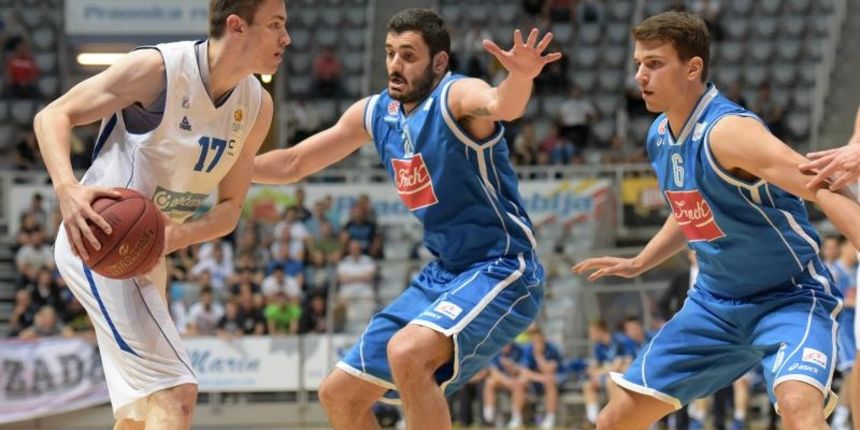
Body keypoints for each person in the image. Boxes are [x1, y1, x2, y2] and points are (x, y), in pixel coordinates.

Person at [254, 9, 555, 430]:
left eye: (408, 55)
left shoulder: (455, 97)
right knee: (339, 394)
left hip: (502, 267)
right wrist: (224, 169)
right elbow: (293, 162)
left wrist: (520, 76)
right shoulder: (376, 112)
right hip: (444, 274)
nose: (395, 65)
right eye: (390, 53)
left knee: (408, 353)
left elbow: (501, 104)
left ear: (438, 63)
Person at [573, 11, 860, 430]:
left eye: (654, 63)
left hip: (789, 297)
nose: (640, 75)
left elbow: (821, 185)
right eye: (638, 63)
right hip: (714, 305)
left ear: (693, 68)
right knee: (614, 420)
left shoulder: (728, 132)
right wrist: (641, 260)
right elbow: (688, 208)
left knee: (801, 410)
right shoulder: (659, 135)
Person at [33, 0, 286, 427]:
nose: (286, 38)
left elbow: (228, 212)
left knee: (140, 412)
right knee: (176, 391)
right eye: (276, 25)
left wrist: (176, 237)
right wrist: (67, 190)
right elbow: (52, 115)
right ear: (237, 26)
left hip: (146, 255)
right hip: (98, 243)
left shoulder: (258, 107)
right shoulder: (159, 71)